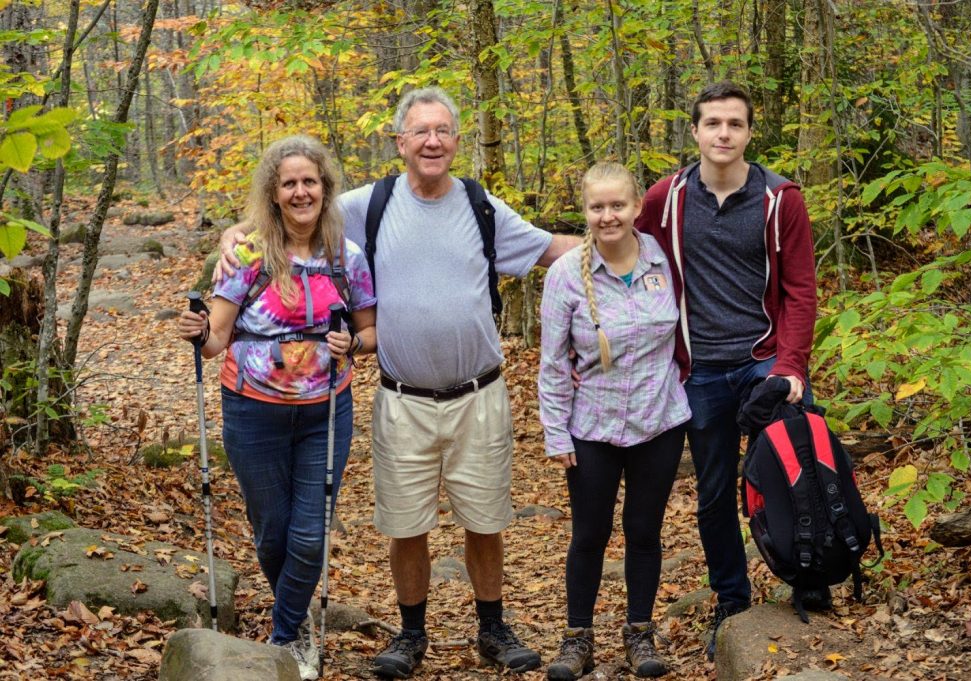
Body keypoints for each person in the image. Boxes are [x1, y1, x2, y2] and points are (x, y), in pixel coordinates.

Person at [216, 87, 578, 678]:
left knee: (485, 520)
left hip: (479, 393)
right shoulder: (368, 204)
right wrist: (233, 235)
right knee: (406, 524)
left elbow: (548, 250)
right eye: (421, 132)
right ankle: (412, 635)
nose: (432, 141)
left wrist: (626, 249)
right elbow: (289, 210)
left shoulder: (484, 207)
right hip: (403, 397)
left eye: (444, 131)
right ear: (400, 142)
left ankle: (492, 627)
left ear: (457, 141)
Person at [179, 134, 377, 680]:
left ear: (324, 188)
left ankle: (285, 636)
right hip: (252, 409)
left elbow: (370, 331)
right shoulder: (246, 254)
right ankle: (292, 621)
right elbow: (216, 339)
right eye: (288, 183)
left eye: (308, 181)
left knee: (310, 534)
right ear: (273, 192)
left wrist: (354, 346)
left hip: (325, 411)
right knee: (272, 531)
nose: (299, 192)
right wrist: (198, 333)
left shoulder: (347, 257)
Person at [634, 81, 817, 660]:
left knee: (798, 470)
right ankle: (732, 604)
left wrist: (790, 367)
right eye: (713, 123)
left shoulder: (779, 199)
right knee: (714, 494)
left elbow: (801, 290)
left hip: (763, 361)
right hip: (698, 369)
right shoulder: (666, 199)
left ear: (748, 132)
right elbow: (628, 262)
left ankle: (808, 577)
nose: (723, 134)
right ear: (694, 131)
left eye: (734, 124)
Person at [538, 162, 691, 680]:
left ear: (636, 208)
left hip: (660, 420)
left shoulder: (665, 261)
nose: (608, 216)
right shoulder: (565, 277)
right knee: (589, 534)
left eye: (617, 205)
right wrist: (556, 432)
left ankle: (639, 634)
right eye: (597, 207)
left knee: (644, 530)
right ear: (586, 212)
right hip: (593, 426)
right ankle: (577, 638)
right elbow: (554, 363)